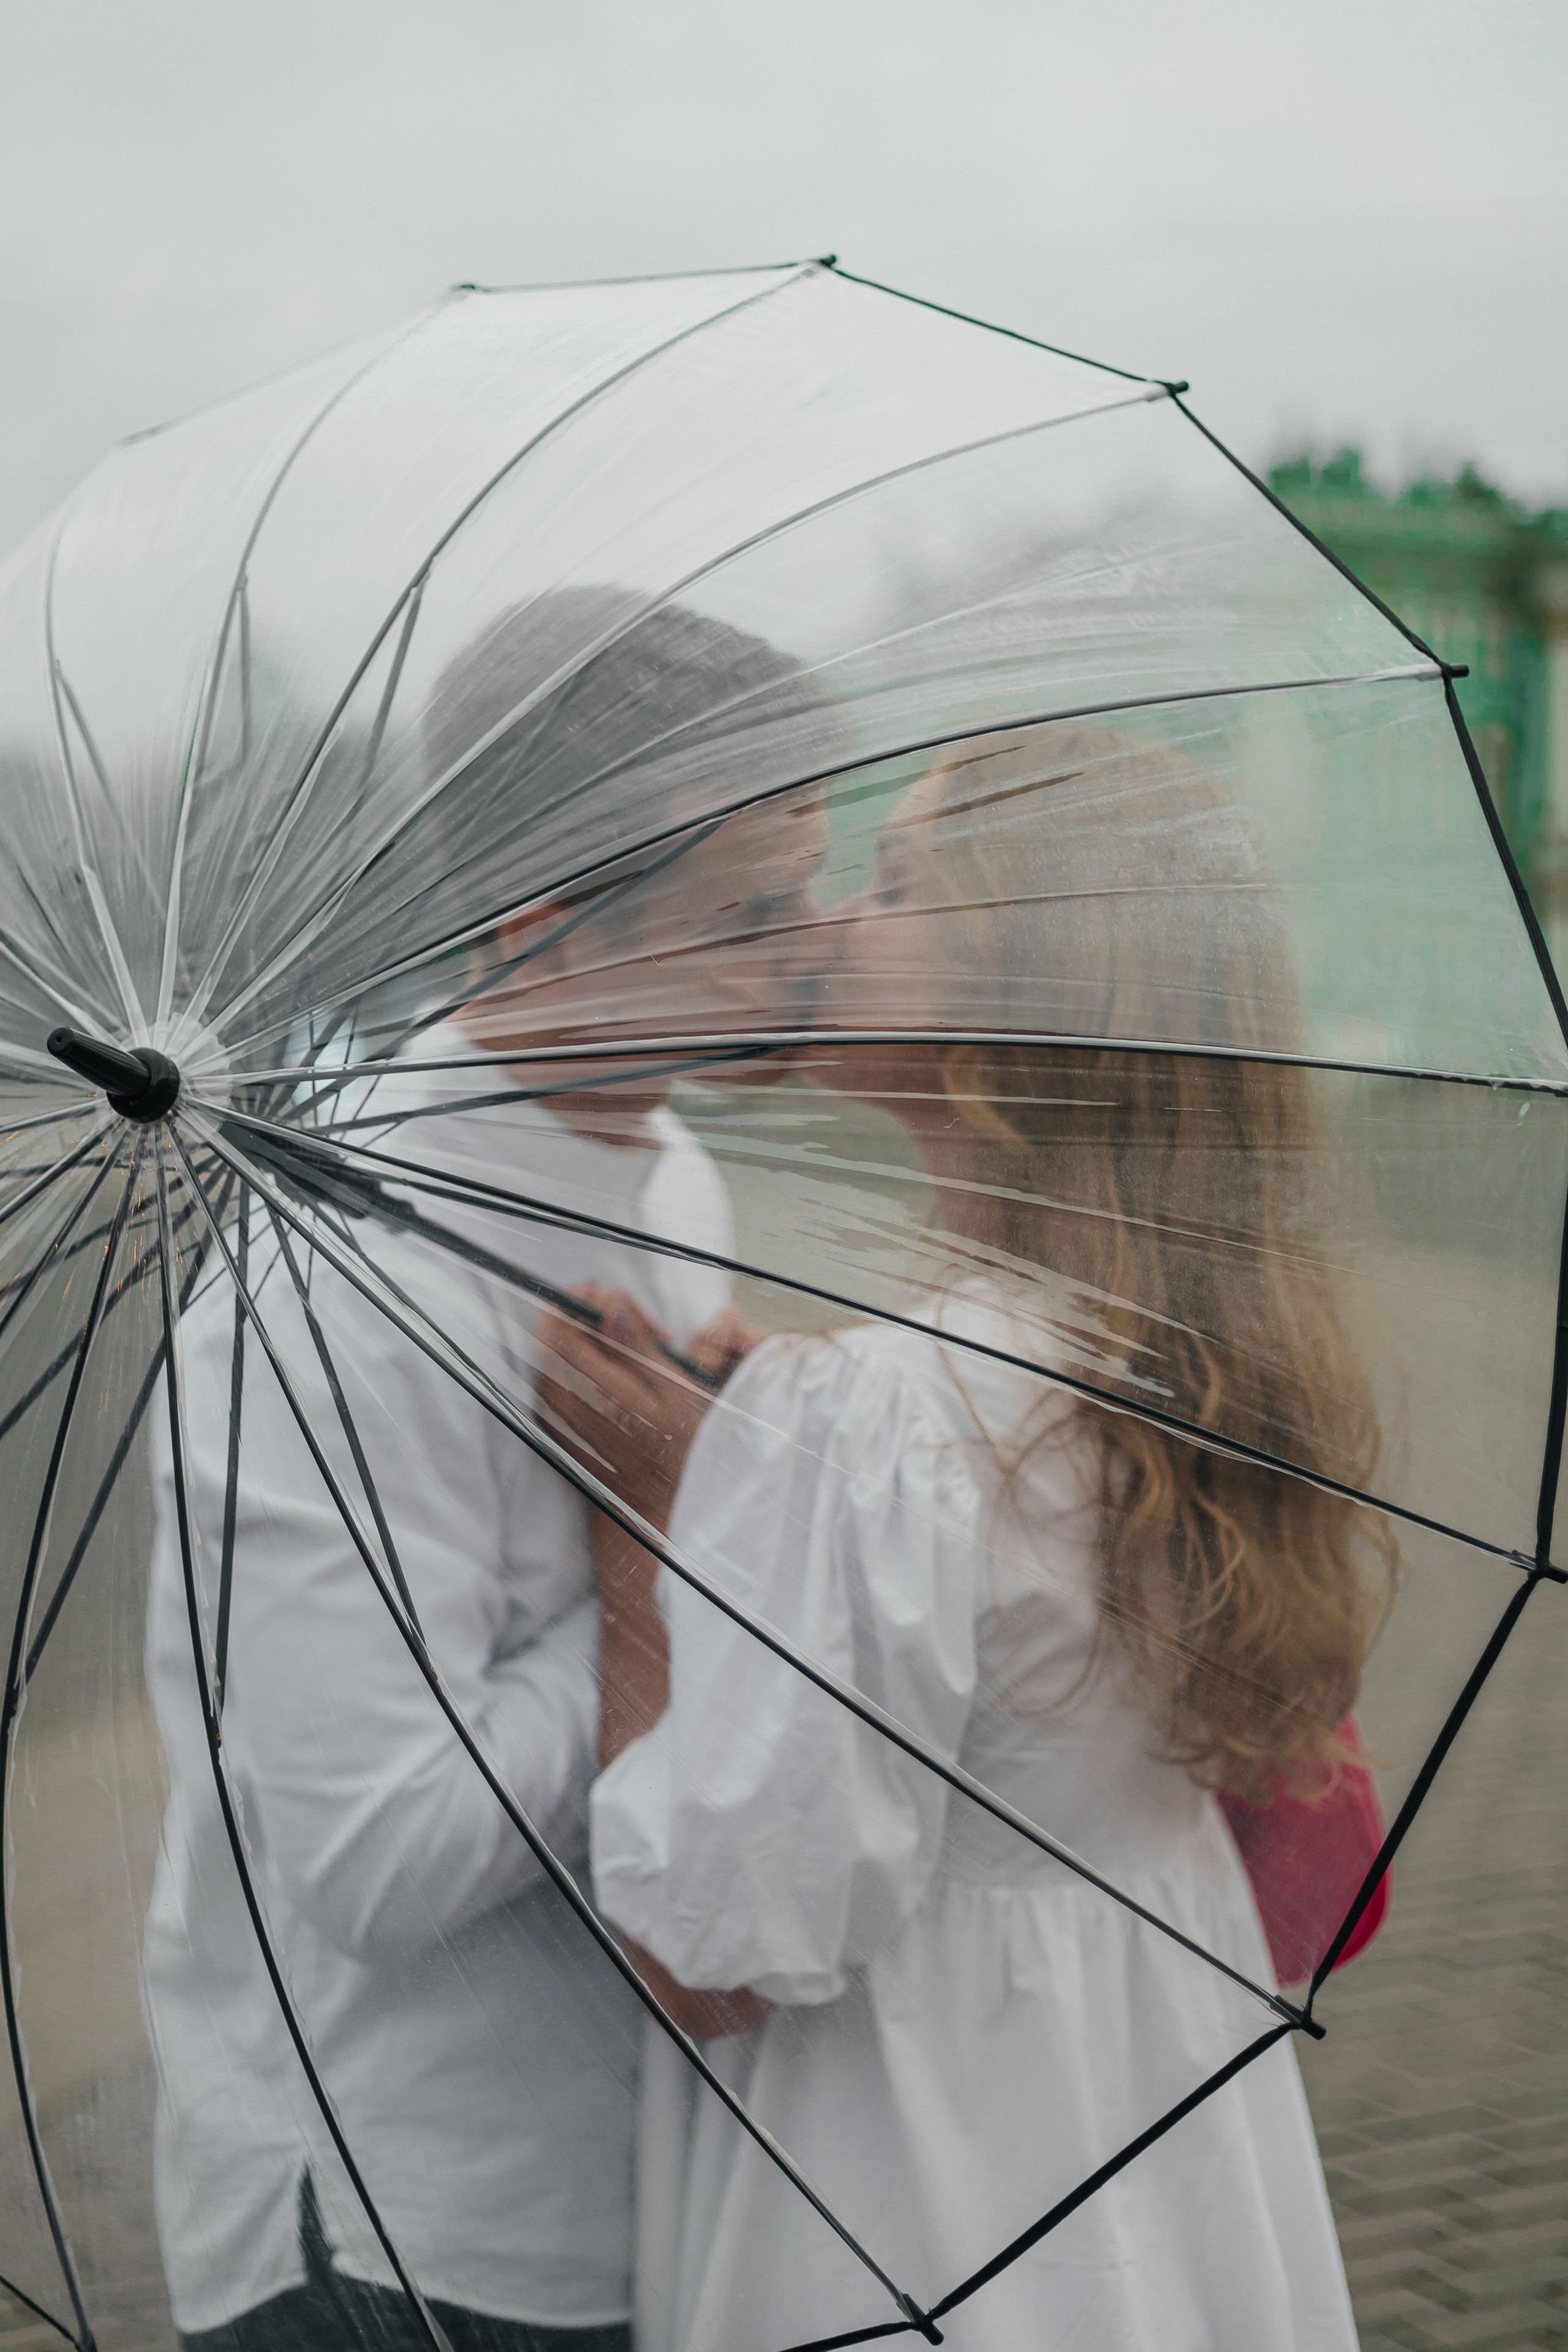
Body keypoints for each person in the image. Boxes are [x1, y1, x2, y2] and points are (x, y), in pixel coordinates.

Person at [538, 722, 1396, 2352]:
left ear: (1029, 987)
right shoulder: (1186, 1365)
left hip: (924, 2192)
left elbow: (707, 1957)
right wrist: (781, 1466)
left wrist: (645, 1535)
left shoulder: (882, 1418)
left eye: (899, 880)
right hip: (1163, 2134)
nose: (834, 920)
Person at [141, 597, 831, 2351]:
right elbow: (374, 1862)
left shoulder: (671, 1168)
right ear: (544, 927)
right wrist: (659, 1544)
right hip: (408, 2233)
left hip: (651, 2177)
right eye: (749, 918)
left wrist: (722, 1478)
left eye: (812, 891)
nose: (809, 956)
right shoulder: (329, 1287)